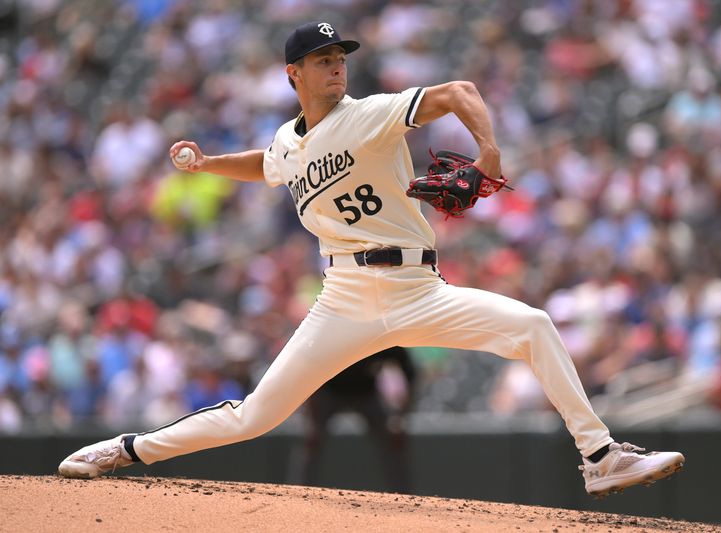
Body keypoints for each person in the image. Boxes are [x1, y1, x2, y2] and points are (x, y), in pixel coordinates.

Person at [58, 21, 685, 497]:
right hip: (344, 299)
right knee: (253, 417)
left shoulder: (371, 115)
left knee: (533, 326)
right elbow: (269, 164)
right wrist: (209, 163)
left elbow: (459, 91)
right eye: (322, 61)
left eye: (339, 60)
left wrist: (487, 149)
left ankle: (601, 458)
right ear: (293, 75)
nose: (336, 69)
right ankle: (126, 450)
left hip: (418, 288)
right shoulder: (287, 141)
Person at [292, 345, 416, 493]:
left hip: (366, 393)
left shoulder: (383, 335)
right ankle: (298, 491)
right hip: (328, 390)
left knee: (392, 437)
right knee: (313, 437)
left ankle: (404, 495)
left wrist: (399, 416)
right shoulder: (337, 331)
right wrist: (310, 412)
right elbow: (308, 365)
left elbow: (410, 374)